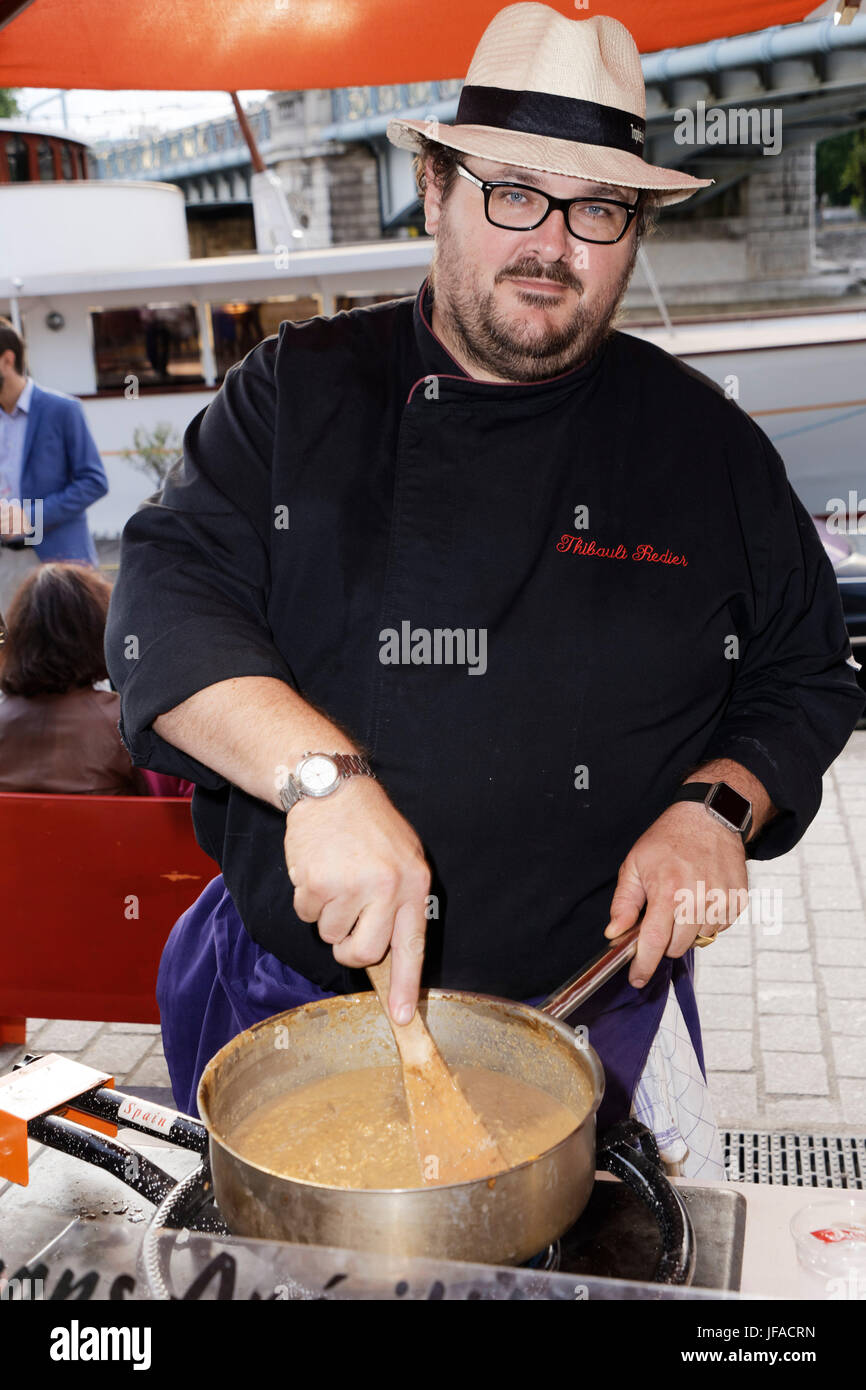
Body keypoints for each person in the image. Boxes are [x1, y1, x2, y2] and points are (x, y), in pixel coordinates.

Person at [105, 6, 864, 1172]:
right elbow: (165, 600)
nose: (550, 243)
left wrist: (717, 805)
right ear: (433, 187)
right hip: (294, 1005)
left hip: (592, 1012)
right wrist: (321, 782)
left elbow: (803, 669)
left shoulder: (702, 445)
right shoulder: (294, 395)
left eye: (597, 208)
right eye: (513, 191)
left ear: (634, 230)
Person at [0, 563, 191, 796]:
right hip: (113, 832)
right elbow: (169, 802)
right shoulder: (125, 723)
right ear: (100, 633)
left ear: (19, 639)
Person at [0, 318, 108, 615]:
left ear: (6, 360)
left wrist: (29, 517)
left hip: (58, 564)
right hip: (4, 569)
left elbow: (94, 481)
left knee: (72, 656)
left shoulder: (63, 410)